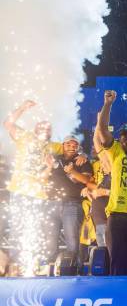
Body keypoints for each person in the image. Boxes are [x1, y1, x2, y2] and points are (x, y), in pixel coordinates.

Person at [3, 100, 63, 269]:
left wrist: (81, 155)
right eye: (42, 127)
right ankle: (16, 265)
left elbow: (72, 147)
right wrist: (22, 107)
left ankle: (33, 265)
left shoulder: (53, 146)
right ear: (35, 128)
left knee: (37, 230)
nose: (45, 130)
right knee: (18, 228)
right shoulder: (25, 137)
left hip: (39, 195)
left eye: (48, 128)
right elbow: (8, 124)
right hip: (20, 191)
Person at [94, 90, 127, 275]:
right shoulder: (115, 151)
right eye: (126, 138)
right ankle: (116, 289)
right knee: (116, 258)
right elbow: (102, 130)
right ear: (119, 140)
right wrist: (108, 104)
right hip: (116, 214)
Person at [45, 135, 93, 264]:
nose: (72, 147)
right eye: (68, 145)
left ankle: (73, 269)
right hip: (51, 203)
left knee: (72, 240)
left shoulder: (82, 161)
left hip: (72, 204)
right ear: (63, 145)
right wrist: (49, 167)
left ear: (78, 147)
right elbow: (42, 178)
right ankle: (49, 268)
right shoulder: (54, 159)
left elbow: (86, 180)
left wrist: (72, 171)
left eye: (74, 145)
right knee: (49, 241)